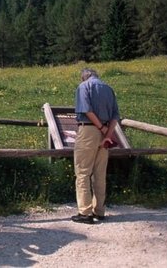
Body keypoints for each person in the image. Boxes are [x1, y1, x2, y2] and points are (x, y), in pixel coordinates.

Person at [72, 67, 120, 225]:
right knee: (100, 173)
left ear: (84, 77)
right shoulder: (109, 89)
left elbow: (87, 110)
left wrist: (100, 127)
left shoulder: (83, 87)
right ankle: (99, 211)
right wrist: (107, 134)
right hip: (106, 131)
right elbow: (115, 116)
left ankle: (85, 212)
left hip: (88, 130)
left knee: (83, 172)